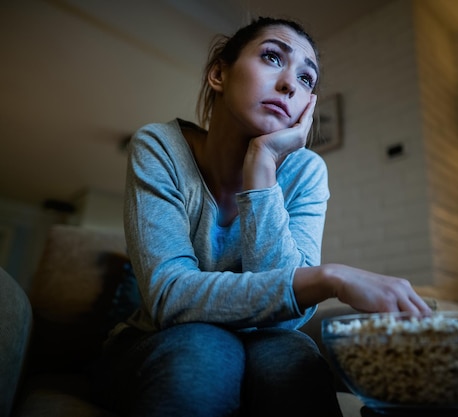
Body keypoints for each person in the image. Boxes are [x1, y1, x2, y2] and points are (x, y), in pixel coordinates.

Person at [92, 16, 432, 417]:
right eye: (273, 57)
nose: (291, 83)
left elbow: (285, 322)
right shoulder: (159, 146)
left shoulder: (306, 171)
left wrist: (263, 167)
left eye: (307, 80)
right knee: (205, 346)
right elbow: (169, 296)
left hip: (263, 340)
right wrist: (330, 277)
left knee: (290, 356)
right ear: (219, 73)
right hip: (157, 341)